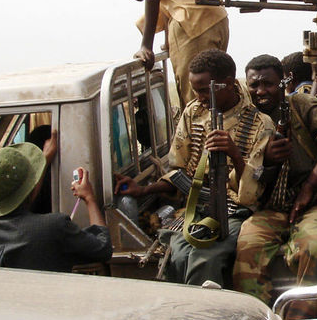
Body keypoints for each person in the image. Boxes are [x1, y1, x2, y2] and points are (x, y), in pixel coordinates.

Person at [114, 50, 272, 287]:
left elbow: (252, 191)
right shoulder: (193, 112)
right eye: (195, 89)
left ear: (227, 83)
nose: (198, 97)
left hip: (233, 210)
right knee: (178, 253)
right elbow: (180, 170)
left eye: (202, 90)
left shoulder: (259, 123)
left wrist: (234, 154)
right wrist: (144, 191)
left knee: (205, 258)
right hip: (194, 207)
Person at [233, 54, 317, 304]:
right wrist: (266, 159)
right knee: (248, 248)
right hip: (269, 206)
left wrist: (311, 185)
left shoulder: (300, 105)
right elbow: (236, 176)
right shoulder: (246, 119)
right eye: (254, 85)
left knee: (312, 248)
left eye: (268, 83)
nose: (261, 91)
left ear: (283, 82)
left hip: (312, 203)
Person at [0, 134, 112, 272]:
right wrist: (89, 198)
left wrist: (45, 159)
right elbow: (103, 248)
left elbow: (26, 198)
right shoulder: (54, 226)